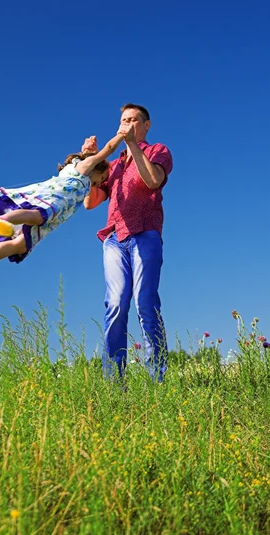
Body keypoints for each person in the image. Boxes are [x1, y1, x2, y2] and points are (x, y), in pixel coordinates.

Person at [0, 130, 126, 293]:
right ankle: (5, 220)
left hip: (55, 215)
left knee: (21, 245)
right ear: (96, 167)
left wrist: (86, 152)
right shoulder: (84, 167)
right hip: (55, 201)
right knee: (38, 216)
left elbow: (89, 188)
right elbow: (109, 148)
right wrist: (121, 135)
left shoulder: (77, 169)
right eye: (102, 177)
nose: (100, 183)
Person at [82, 104, 173, 381]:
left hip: (145, 233)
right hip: (114, 239)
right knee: (115, 304)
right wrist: (89, 163)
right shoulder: (114, 165)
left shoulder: (157, 150)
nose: (128, 124)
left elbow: (153, 180)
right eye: (124, 120)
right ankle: (113, 383)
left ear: (146, 125)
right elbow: (90, 202)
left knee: (145, 303)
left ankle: (158, 379)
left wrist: (133, 145)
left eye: (134, 120)